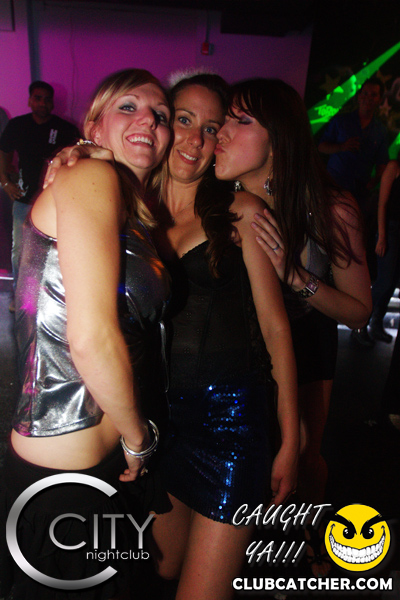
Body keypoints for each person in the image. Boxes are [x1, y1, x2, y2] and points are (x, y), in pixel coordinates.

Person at [43, 73, 299, 600]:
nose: (195, 139)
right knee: (159, 572)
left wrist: (292, 437)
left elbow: (276, 329)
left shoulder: (241, 213)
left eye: (212, 128)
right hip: (158, 421)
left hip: (231, 425)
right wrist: (81, 149)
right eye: (182, 119)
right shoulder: (130, 209)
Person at [0, 69, 171, 600]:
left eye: (161, 114)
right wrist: (139, 439)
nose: (149, 119)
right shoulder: (92, 177)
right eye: (129, 106)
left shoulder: (127, 205)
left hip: (90, 466)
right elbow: (92, 337)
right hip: (69, 475)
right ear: (93, 126)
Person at [214, 78, 372, 577]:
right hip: (238, 346)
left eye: (242, 121)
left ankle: (312, 537)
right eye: (225, 118)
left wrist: (295, 276)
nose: (221, 132)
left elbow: (359, 312)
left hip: (305, 340)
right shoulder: (214, 199)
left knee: (303, 453)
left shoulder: (331, 208)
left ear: (278, 141)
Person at [0, 81, 80, 305]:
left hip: (55, 200)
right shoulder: (17, 125)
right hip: (24, 199)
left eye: (47, 99)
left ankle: (47, 300)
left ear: (52, 103)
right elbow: (3, 152)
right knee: (20, 251)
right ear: (30, 100)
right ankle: (20, 297)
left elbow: (79, 156)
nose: (43, 103)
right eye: (38, 98)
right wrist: (5, 182)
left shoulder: (65, 128)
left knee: (53, 251)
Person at [318, 77, 388, 214]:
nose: (368, 98)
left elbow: (382, 164)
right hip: (333, 185)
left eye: (373, 95)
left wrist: (374, 182)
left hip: (359, 193)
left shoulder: (381, 131)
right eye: (365, 93)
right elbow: (321, 147)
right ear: (359, 96)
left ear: (380, 100)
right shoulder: (341, 120)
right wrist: (341, 147)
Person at [354, 156, 400, 345]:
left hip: (396, 231)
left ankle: (376, 324)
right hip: (390, 230)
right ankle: (359, 324)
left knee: (392, 282)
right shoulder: (394, 166)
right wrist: (382, 236)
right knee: (384, 281)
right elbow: (382, 203)